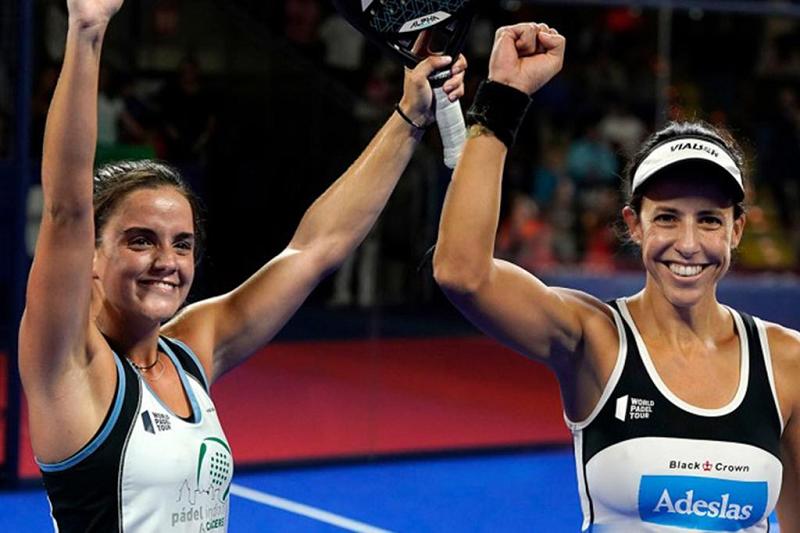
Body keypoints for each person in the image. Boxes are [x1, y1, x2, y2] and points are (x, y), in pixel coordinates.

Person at [18, 0, 466, 531]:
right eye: (141, 241)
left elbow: (314, 250)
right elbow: (66, 210)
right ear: (92, 256)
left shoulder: (190, 352)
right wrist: (87, 32)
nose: (166, 262)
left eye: (182, 244)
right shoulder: (69, 368)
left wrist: (410, 116)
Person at [433, 22, 800, 531]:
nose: (688, 244)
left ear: (736, 230)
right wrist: (501, 100)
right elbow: (462, 273)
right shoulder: (594, 338)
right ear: (634, 224)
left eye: (709, 220)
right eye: (666, 217)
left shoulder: (787, 362)